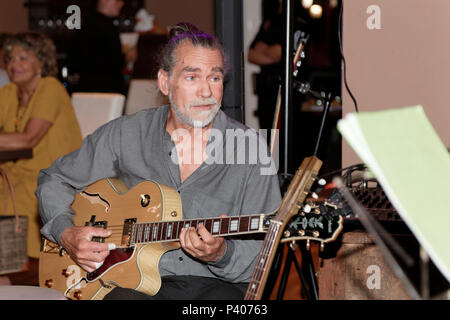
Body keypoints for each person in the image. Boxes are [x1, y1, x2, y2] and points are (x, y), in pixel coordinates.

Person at [36, 22, 281, 300]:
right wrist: (66, 232)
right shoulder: (126, 134)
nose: (206, 92)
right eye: (192, 77)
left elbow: (263, 256)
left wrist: (221, 254)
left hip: (217, 287)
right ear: (165, 82)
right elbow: (53, 179)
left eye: (214, 78)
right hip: (130, 283)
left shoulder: (251, 149)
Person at [0, 32, 82, 260]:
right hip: (14, 171)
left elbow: (28, 139)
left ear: (41, 61)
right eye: (10, 58)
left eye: (22, 58)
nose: (14, 64)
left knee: (10, 198)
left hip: (51, 174)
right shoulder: (8, 93)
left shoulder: (50, 88)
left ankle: (21, 268)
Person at [68, 0, 137, 94]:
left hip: (85, 89)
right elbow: (111, 64)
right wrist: (127, 57)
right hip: (106, 91)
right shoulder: (107, 27)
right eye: (117, 1)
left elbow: (74, 61)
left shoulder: (85, 24)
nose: (121, 4)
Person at [248, 0, 283, 133]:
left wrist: (263, 48)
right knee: (265, 137)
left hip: (282, 91)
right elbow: (251, 54)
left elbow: (281, 53)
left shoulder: (294, 20)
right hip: (265, 91)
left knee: (280, 138)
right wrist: (272, 53)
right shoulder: (270, 19)